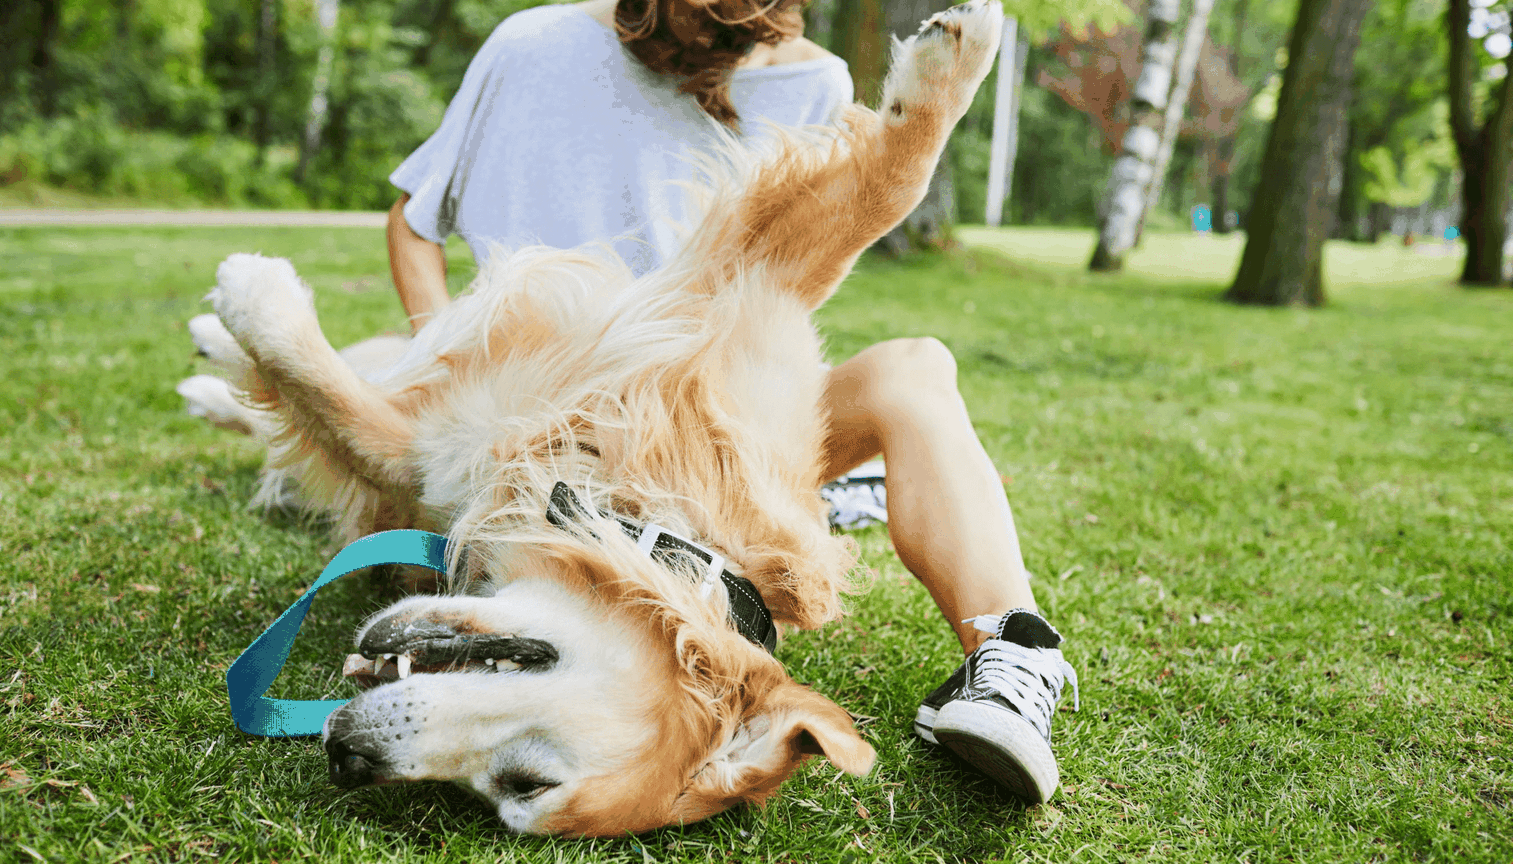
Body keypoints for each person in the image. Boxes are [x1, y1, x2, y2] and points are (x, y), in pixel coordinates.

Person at [386, 0, 1078, 804]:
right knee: (373, 396)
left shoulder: (813, 79)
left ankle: (1012, 658)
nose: (715, 35)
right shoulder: (534, 42)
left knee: (914, 369)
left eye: (745, 18)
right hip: (543, 400)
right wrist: (439, 361)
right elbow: (414, 221)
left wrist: (903, 162)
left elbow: (775, 303)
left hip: (698, 408)